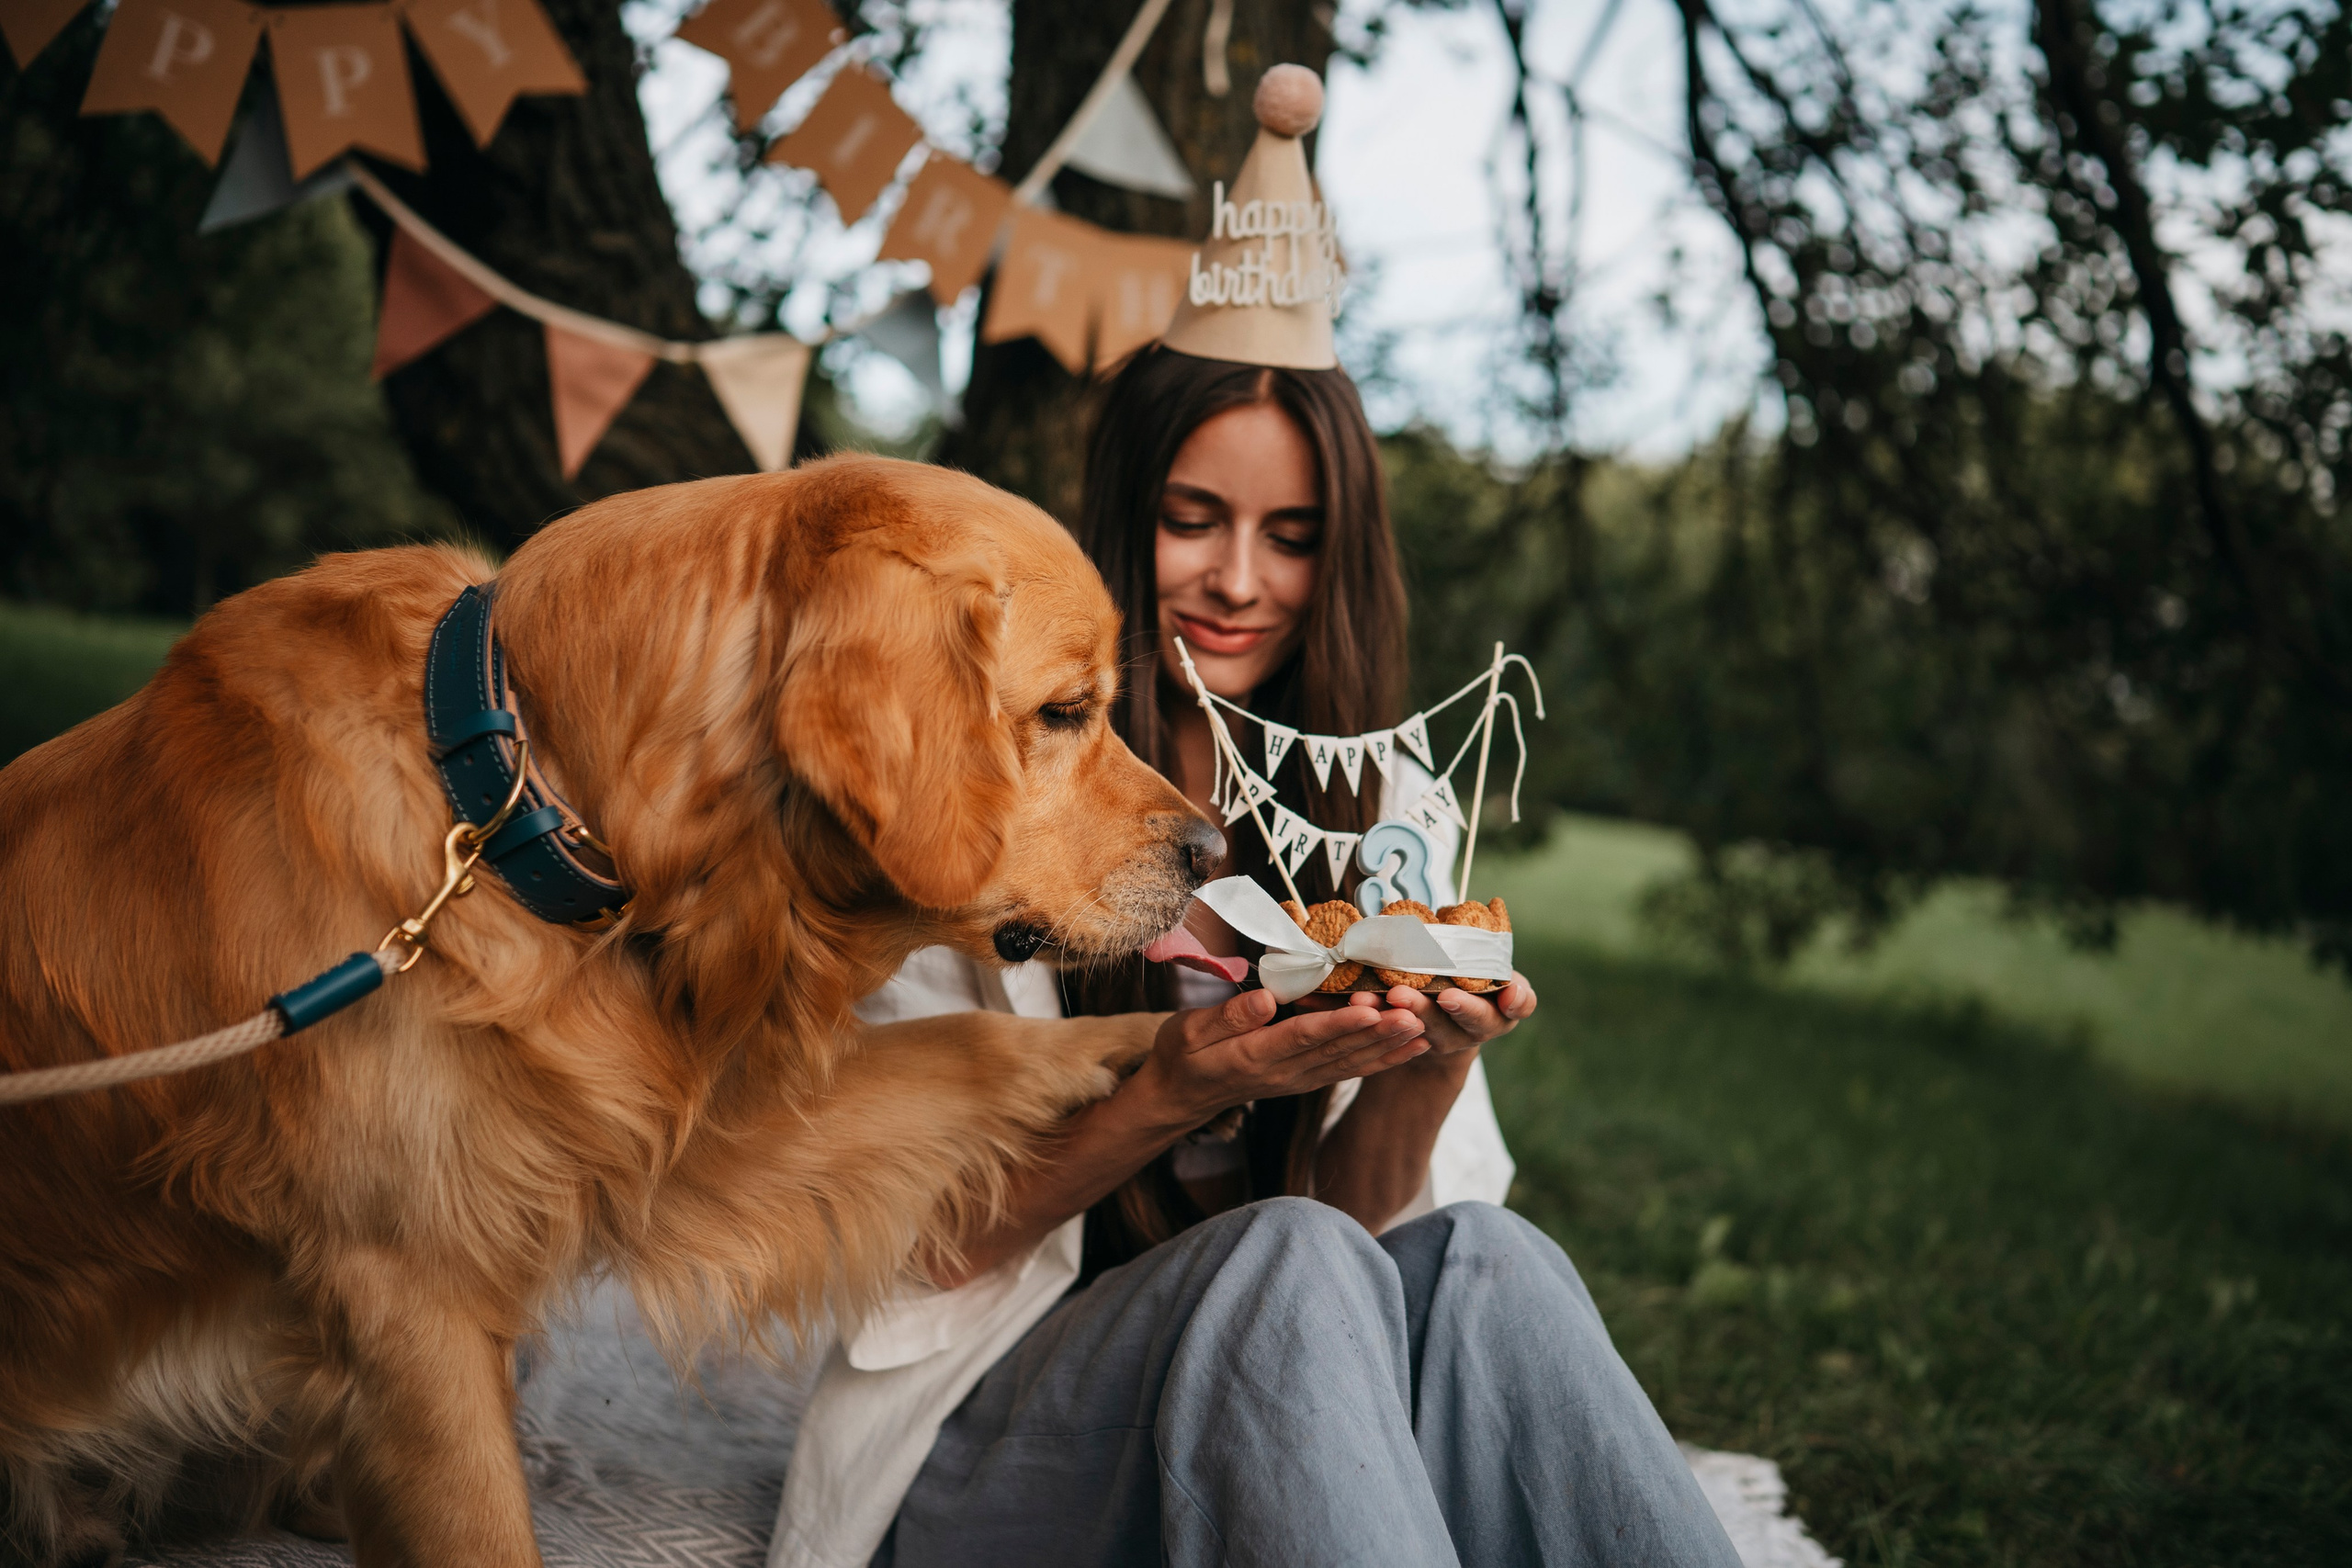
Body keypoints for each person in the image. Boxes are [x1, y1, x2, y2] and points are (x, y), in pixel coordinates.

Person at [771, 67, 1742, 1568]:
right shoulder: (968, 788)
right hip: (991, 1456)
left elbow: (1368, 1252)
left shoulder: (1385, 806)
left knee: (1485, 1258)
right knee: (1277, 1251)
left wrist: (1425, 1067)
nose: (1239, 580)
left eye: (1290, 537)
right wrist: (1162, 1088)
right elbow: (908, 1258)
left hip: (1270, 1434)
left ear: (1338, 554)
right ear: (1121, 517)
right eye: (1193, 519)